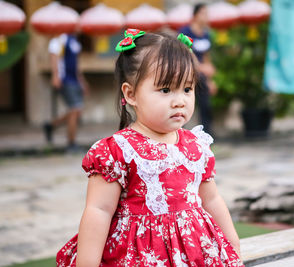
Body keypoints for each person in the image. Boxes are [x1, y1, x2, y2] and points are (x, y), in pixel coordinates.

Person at [56, 29, 243, 266]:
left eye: (187, 89)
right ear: (131, 93)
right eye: (165, 90)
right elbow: (99, 211)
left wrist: (232, 241)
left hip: (195, 253)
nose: (179, 100)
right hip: (140, 255)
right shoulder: (118, 150)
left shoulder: (197, 145)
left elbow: (212, 199)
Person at [43, 33, 88, 152]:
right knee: (74, 109)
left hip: (74, 79)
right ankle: (71, 143)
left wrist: (81, 80)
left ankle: (51, 126)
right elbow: (54, 56)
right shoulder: (58, 38)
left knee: (77, 111)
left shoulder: (73, 39)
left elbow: (76, 63)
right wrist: (55, 75)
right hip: (65, 79)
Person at [179, 3, 217, 135]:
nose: (206, 17)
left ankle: (206, 136)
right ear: (195, 15)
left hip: (202, 77)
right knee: (182, 105)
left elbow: (206, 56)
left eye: (207, 14)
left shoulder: (206, 34)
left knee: (205, 106)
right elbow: (184, 54)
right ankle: (178, 135)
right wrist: (201, 67)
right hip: (188, 74)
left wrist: (211, 80)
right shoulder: (185, 32)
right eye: (203, 14)